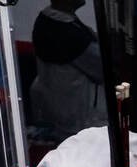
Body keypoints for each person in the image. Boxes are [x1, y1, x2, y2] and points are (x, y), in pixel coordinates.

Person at [27, 0, 104, 144]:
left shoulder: (49, 21)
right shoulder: (65, 31)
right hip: (79, 119)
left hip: (63, 113)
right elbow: (101, 68)